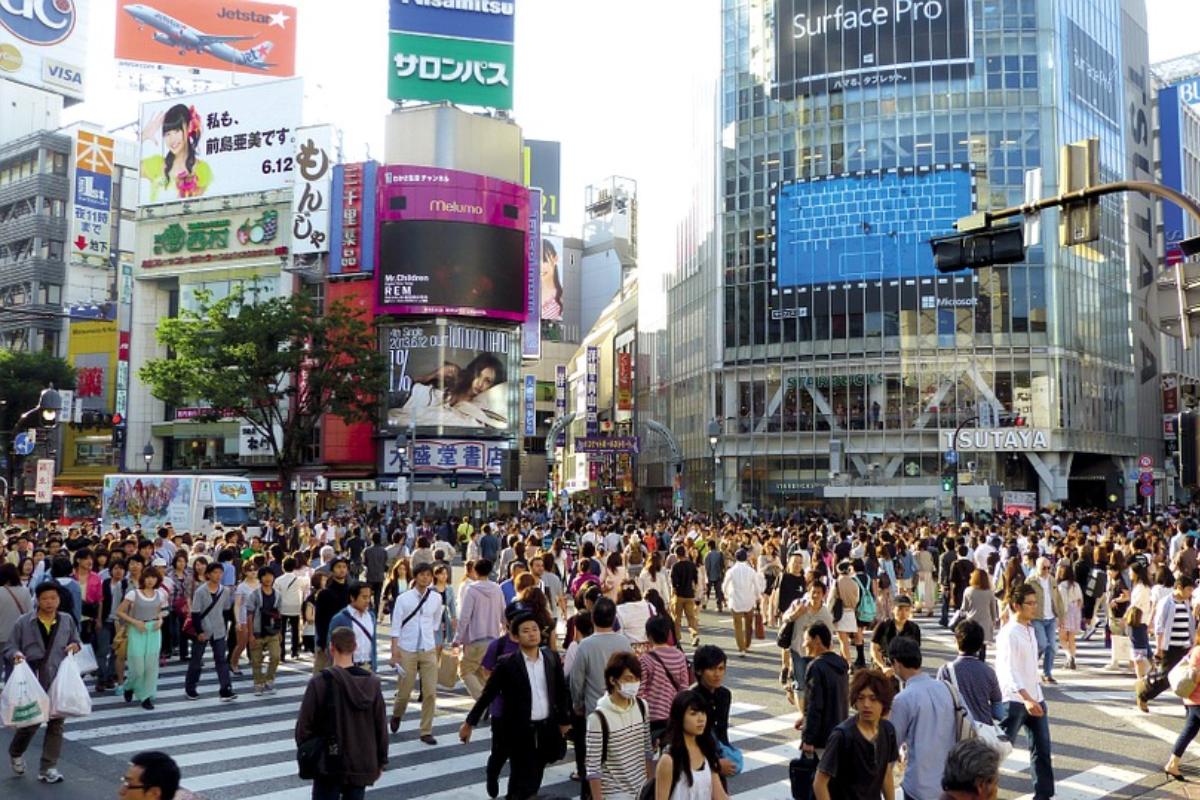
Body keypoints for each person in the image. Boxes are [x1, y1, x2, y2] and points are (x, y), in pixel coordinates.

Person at [460, 613, 572, 800]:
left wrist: (564, 721)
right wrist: (469, 723)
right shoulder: (507, 664)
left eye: (535, 629)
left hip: (545, 729)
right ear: (516, 637)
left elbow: (561, 692)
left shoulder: (551, 658)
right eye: (526, 631)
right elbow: (488, 695)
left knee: (535, 777)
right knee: (520, 779)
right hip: (520, 731)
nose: (532, 634)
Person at [295, 627, 389, 800]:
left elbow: (303, 727)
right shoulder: (372, 683)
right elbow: (380, 726)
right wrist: (381, 760)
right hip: (360, 762)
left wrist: (311, 752)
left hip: (329, 763)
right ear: (354, 647)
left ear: (332, 648)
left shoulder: (320, 682)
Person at [5, 581, 82, 783]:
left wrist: (74, 646)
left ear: (59, 600)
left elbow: (76, 640)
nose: (50, 602)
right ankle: (15, 752)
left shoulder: (66, 620)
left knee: (56, 723)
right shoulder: (24, 622)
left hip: (58, 678)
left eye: (53, 598)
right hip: (32, 679)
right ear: (37, 600)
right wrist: (17, 655)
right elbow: (10, 647)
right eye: (45, 598)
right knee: (31, 722)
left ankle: (48, 767)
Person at [570, 597, 635, 797]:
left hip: (594, 711)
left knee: (593, 763)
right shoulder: (624, 641)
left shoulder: (585, 645)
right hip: (621, 709)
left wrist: (577, 703)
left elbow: (576, 681)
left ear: (592, 617)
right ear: (614, 617)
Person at [995, 583, 1054, 800]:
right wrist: (1026, 698)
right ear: (1016, 606)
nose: (1034, 607)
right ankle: (981, 791)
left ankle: (1044, 795)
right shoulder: (1009, 633)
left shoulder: (1030, 629)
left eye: (1035, 602)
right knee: (998, 751)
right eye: (1029, 603)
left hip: (1035, 696)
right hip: (1015, 700)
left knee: (1042, 751)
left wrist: (1035, 694)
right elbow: (1008, 671)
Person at [886, 635, 958, 800]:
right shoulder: (948, 689)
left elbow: (890, 747)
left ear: (896, 663)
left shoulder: (903, 699)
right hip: (952, 783)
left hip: (919, 786)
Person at [812, 668, 899, 800]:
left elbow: (886, 773)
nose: (866, 704)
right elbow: (819, 783)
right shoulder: (842, 736)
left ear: (883, 702)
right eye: (861, 698)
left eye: (873, 699)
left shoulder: (888, 730)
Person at [586, 652, 653, 799]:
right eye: (628, 679)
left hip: (641, 790)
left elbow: (647, 750)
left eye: (636, 679)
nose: (634, 684)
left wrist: (650, 786)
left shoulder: (642, 707)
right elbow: (593, 767)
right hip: (614, 794)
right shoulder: (598, 718)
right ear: (612, 680)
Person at [388, 562, 443, 742]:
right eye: (422, 575)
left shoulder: (436, 598)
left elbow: (435, 623)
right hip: (407, 648)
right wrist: (394, 652)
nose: (425, 578)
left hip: (428, 648)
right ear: (415, 576)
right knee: (404, 691)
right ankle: (397, 714)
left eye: (428, 575)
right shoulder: (404, 599)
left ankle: (426, 731)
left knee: (430, 692)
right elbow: (395, 628)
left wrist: (435, 646)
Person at [652, 690, 730, 800]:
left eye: (703, 713)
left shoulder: (706, 751)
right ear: (680, 717)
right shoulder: (669, 760)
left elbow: (719, 795)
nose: (701, 719)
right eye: (693, 714)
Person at [1140, 574, 1196, 711]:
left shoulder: (1186, 602)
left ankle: (1189, 708)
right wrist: (1159, 648)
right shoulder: (1166, 602)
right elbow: (1159, 626)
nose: (1190, 593)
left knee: (1187, 678)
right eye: (1188, 590)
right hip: (1169, 647)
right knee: (1165, 678)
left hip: (1185, 646)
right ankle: (1144, 695)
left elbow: (1190, 624)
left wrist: (1193, 643)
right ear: (1179, 588)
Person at [116, 566, 167, 710]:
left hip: (154, 631)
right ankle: (129, 686)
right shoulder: (134, 594)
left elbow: (160, 611)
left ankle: (146, 696)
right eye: (148, 577)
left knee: (151, 666)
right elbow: (119, 612)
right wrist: (135, 622)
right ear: (143, 578)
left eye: (153, 577)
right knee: (137, 667)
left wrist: (160, 620)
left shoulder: (160, 594)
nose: (150, 580)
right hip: (137, 629)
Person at [455, 558, 506, 698]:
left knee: (465, 671)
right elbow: (504, 614)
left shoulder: (471, 589)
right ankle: (494, 698)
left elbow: (464, 617)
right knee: (482, 672)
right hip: (493, 638)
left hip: (475, 638)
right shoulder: (497, 588)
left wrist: (457, 639)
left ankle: (484, 701)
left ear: (475, 572)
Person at [184, 562, 236, 701]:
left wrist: (225, 628)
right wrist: (199, 631)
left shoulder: (225, 590)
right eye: (215, 572)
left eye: (220, 573)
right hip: (203, 628)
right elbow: (195, 613)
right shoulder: (201, 591)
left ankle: (226, 689)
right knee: (196, 659)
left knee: (221, 659)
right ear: (208, 574)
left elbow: (225, 610)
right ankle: (190, 688)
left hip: (219, 629)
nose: (218, 575)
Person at [936, 620, 1003, 726]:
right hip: (983, 731)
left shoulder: (946, 670)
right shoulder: (989, 672)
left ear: (957, 641)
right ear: (980, 645)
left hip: (956, 730)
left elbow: (939, 704)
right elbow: (998, 712)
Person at [139, 103, 211, 202]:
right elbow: (127, 168)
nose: (172, 139)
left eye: (177, 131)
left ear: (189, 127)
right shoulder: (156, 164)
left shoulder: (202, 169)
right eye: (167, 134)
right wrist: (143, 136)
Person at [639, 614, 692, 747]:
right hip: (673, 715)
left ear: (648, 635)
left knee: (651, 755)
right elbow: (684, 688)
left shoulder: (646, 659)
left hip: (651, 716)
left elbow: (639, 692)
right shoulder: (680, 656)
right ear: (669, 633)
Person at [798, 622, 849, 758]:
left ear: (817, 640)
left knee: (818, 777)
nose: (804, 645)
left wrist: (808, 739)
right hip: (839, 732)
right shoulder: (841, 664)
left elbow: (815, 705)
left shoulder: (816, 667)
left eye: (806, 640)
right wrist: (804, 718)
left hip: (822, 738)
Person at [782, 581, 833, 712]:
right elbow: (785, 618)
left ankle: (792, 690)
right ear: (808, 592)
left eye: (818, 593)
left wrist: (829, 655)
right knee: (801, 685)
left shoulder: (826, 614)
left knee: (814, 684)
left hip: (817, 655)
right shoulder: (798, 604)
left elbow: (829, 637)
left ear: (824, 595)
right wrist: (796, 614)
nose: (815, 595)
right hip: (798, 650)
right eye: (812, 592)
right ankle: (803, 715)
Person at [243, 567, 284, 694]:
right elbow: (249, 615)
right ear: (260, 578)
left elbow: (279, 614)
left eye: (270, 576)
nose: (268, 578)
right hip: (257, 631)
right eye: (265, 576)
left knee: (276, 656)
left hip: (273, 631)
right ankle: (258, 683)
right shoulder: (254, 595)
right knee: (256, 660)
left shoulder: (278, 595)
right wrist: (250, 635)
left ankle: (269, 680)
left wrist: (280, 632)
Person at [721, 549, 765, 656]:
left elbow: (724, 586)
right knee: (748, 624)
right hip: (749, 600)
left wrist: (726, 596)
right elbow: (757, 586)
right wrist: (758, 597)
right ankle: (747, 644)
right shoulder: (751, 571)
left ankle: (741, 649)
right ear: (746, 558)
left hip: (735, 600)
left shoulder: (731, 571)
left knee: (738, 626)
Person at [1028, 557, 1064, 684]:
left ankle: (1047, 673)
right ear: (1037, 568)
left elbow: (1058, 599)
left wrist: (1061, 616)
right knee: (1042, 644)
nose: (1047, 570)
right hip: (1037, 617)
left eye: (1049, 568)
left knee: (1053, 647)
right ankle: (1030, 667)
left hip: (1051, 617)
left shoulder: (1052, 580)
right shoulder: (1031, 581)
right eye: (1044, 568)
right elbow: (1024, 598)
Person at [329, 582, 378, 671]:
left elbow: (373, 643)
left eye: (369, 597)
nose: (367, 601)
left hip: (368, 666)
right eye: (364, 597)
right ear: (352, 597)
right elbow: (330, 645)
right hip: (347, 667)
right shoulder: (340, 618)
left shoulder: (371, 616)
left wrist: (374, 665)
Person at [315, 558, 352, 673]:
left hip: (347, 637)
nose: (342, 570)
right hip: (328, 637)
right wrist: (321, 640)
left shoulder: (351, 591)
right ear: (332, 570)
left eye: (344, 567)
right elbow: (319, 619)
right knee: (322, 673)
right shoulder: (324, 593)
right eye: (338, 567)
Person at [869, 594, 921, 676]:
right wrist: (883, 666)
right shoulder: (883, 625)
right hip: (884, 665)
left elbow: (916, 653)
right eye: (900, 609)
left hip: (904, 668)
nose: (903, 613)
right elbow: (874, 649)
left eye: (907, 610)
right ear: (893, 609)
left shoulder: (914, 628)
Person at [668, 546, 701, 647]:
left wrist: (673, 592)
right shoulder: (691, 565)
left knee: (677, 618)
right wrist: (695, 589)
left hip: (679, 595)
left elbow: (673, 582)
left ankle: (677, 638)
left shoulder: (676, 566)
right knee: (691, 617)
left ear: (676, 555)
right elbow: (696, 579)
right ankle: (694, 635)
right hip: (689, 594)